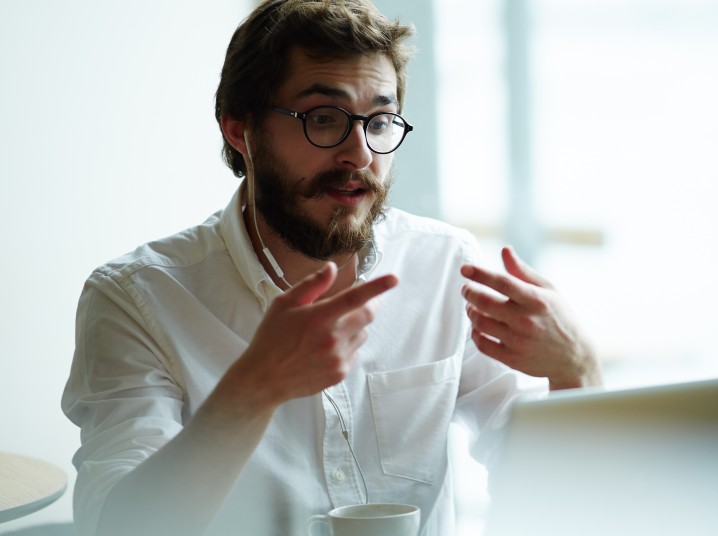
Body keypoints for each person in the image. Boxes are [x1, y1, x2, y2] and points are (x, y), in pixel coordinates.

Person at [61, 1, 602, 535]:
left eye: (381, 121)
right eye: (324, 119)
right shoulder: (136, 298)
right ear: (239, 131)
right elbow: (115, 524)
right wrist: (253, 388)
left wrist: (577, 373)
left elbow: (548, 495)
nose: (360, 154)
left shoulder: (445, 268)